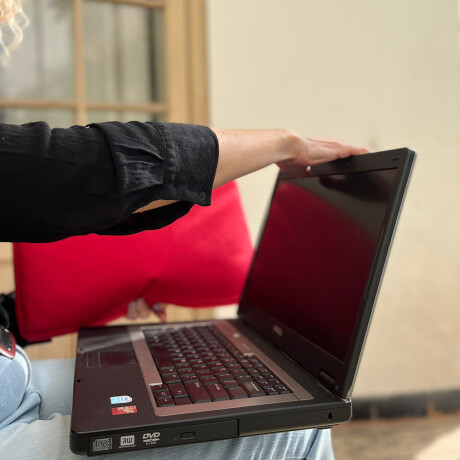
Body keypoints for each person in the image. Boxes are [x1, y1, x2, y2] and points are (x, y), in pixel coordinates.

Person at [0, 2, 368, 459]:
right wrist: (281, 143)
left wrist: (70, 303)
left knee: (276, 396)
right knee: (294, 423)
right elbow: (88, 171)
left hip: (11, 382)